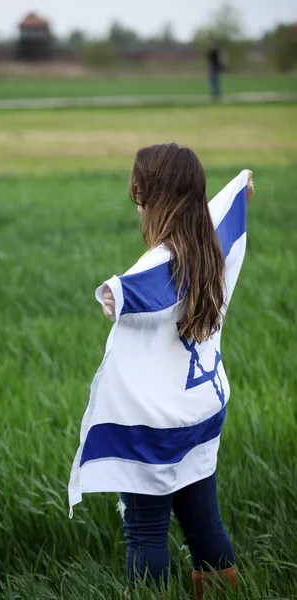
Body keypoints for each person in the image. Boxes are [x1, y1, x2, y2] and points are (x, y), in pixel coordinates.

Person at [68, 143, 255, 599]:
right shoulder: (211, 244)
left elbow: (155, 282)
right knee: (202, 521)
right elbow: (231, 208)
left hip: (156, 426)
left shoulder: (160, 264)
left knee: (145, 533)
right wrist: (242, 189)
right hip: (202, 412)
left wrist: (118, 292)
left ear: (146, 196)